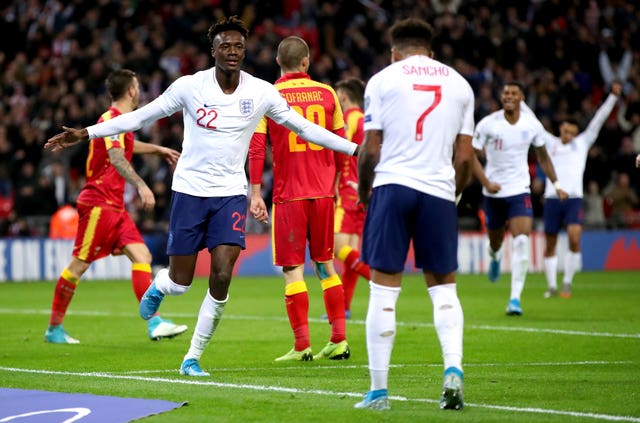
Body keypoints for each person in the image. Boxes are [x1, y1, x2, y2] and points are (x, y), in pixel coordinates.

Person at [45, 17, 358, 375]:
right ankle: (160, 285)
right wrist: (86, 133)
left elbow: (305, 128)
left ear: (245, 51)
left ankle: (192, 357)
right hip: (190, 193)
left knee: (222, 276)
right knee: (181, 282)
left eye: (239, 46)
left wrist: (354, 150)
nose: (232, 52)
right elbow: (140, 117)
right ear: (213, 50)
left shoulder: (261, 92)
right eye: (225, 45)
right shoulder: (189, 87)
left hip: (229, 196)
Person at [355, 18, 475, 411]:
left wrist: (363, 191)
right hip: (438, 191)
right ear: (432, 51)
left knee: (384, 290)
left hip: (393, 186)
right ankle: (453, 369)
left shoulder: (383, 80)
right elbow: (464, 158)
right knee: (444, 289)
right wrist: (451, 195)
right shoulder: (460, 84)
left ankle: (378, 392)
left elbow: (371, 149)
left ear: (394, 52)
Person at [45, 69, 187, 344]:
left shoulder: (122, 123)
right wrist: (142, 185)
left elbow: (128, 145)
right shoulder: (110, 119)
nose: (139, 91)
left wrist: (158, 149)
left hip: (115, 207)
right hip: (98, 203)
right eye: (138, 87)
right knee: (78, 266)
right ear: (131, 91)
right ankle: (54, 329)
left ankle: (154, 323)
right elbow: (117, 156)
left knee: (142, 256)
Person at [248, 36, 350, 362]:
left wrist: (254, 191)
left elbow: (256, 147)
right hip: (324, 193)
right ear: (306, 62)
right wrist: (334, 184)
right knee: (326, 266)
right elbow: (341, 146)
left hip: (290, 195)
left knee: (293, 270)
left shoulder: (269, 95)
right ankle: (338, 340)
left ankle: (303, 345)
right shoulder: (328, 93)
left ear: (278, 62)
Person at [472, 81, 568, 316]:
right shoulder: (488, 124)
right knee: (496, 242)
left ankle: (514, 299)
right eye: (506, 93)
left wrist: (555, 184)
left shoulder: (531, 125)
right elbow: (470, 157)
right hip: (493, 192)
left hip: (519, 191)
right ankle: (494, 256)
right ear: (501, 97)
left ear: (522, 97)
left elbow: (543, 158)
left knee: (522, 240)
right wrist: (486, 183)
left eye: (514, 93)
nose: (509, 96)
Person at [523, 82, 621, 298]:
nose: (568, 134)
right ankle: (551, 286)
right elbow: (534, 122)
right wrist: (521, 102)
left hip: (574, 198)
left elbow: (598, 120)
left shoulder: (583, 143)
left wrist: (613, 98)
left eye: (571, 131)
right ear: (561, 129)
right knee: (550, 242)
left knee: (574, 238)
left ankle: (567, 282)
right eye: (565, 130)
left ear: (576, 132)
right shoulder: (550, 142)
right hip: (552, 198)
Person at [331, 78, 371, 319]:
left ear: (344, 96)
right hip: (363, 191)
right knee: (351, 253)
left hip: (347, 190)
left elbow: (338, 147)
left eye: (338, 95)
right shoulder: (367, 120)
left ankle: (375, 278)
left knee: (338, 248)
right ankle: (344, 307)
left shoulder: (351, 118)